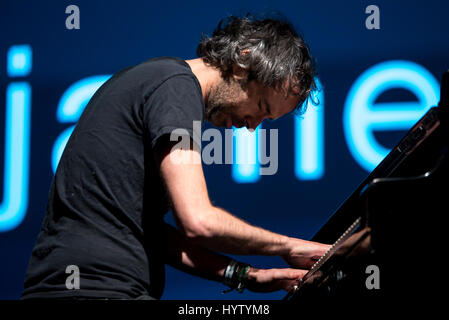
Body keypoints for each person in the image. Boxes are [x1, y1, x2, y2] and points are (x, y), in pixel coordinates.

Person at [21, 14, 330, 300]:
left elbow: (150, 233)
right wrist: (290, 246)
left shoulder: (161, 82)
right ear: (242, 64)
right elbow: (198, 221)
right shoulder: (177, 87)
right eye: (261, 107)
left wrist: (245, 275)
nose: (252, 127)